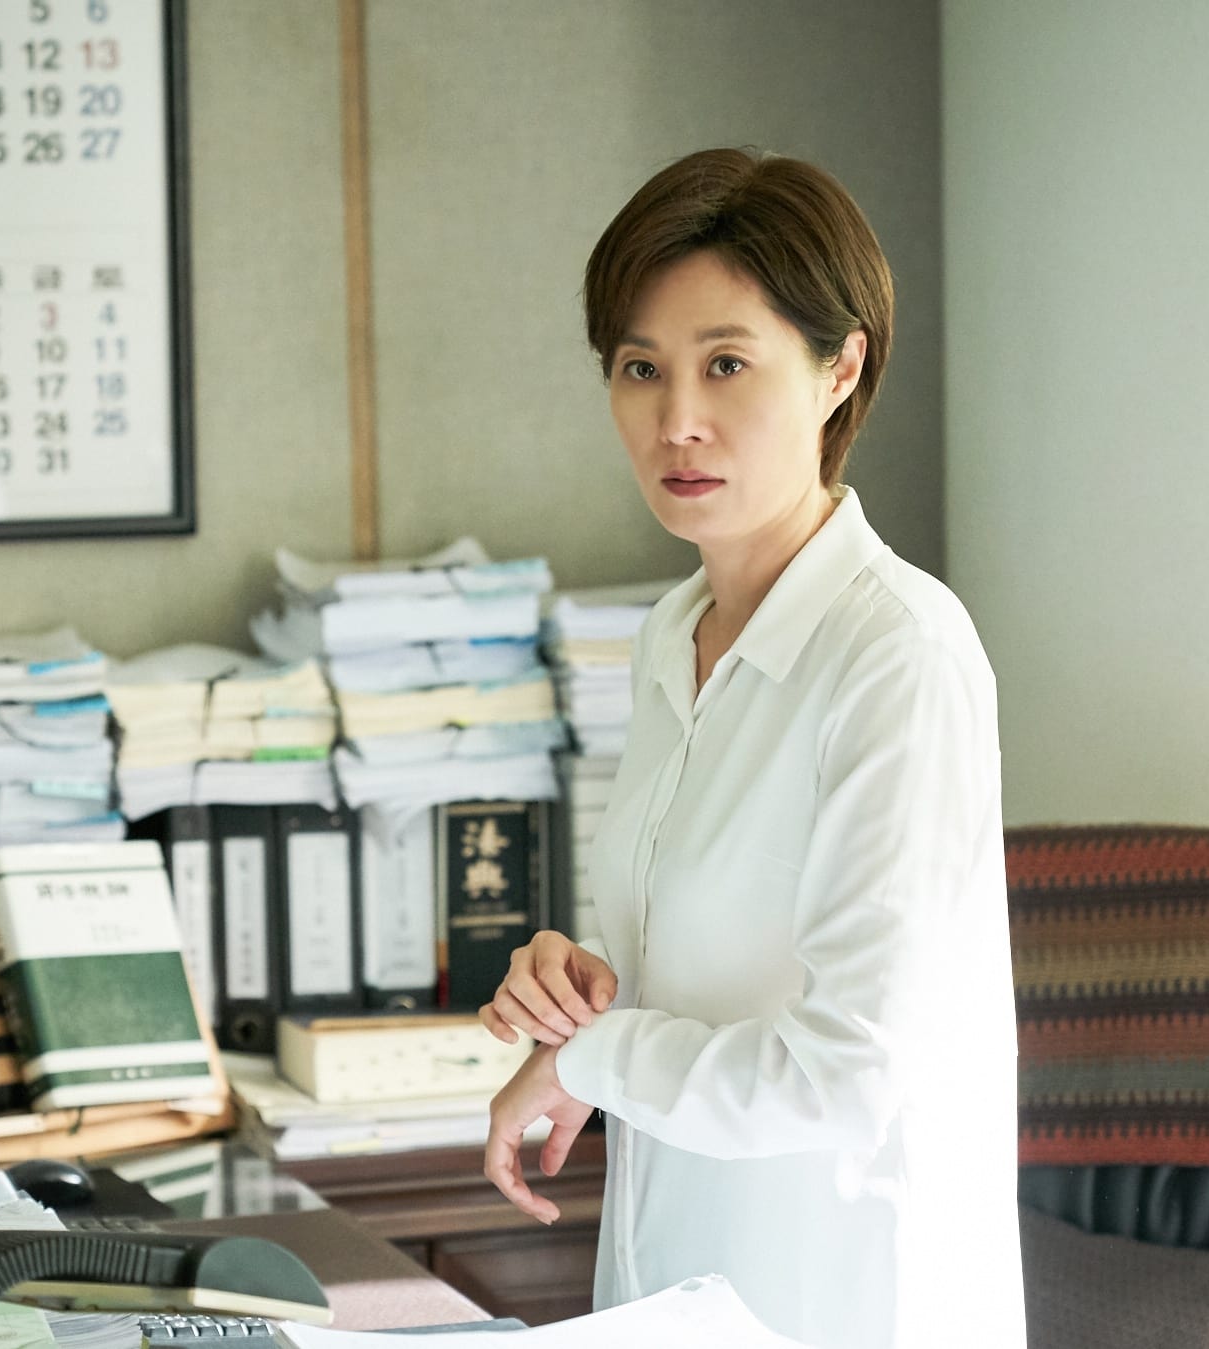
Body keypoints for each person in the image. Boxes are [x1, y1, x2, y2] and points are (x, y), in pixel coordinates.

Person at [478, 149, 1024, 1348]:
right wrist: (580, 989)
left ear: (841, 368)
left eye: (727, 362)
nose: (677, 419)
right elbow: (700, 972)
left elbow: (847, 1073)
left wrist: (596, 1059)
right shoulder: (670, 636)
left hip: (842, 1303)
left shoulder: (900, 651)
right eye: (640, 367)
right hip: (673, 1288)